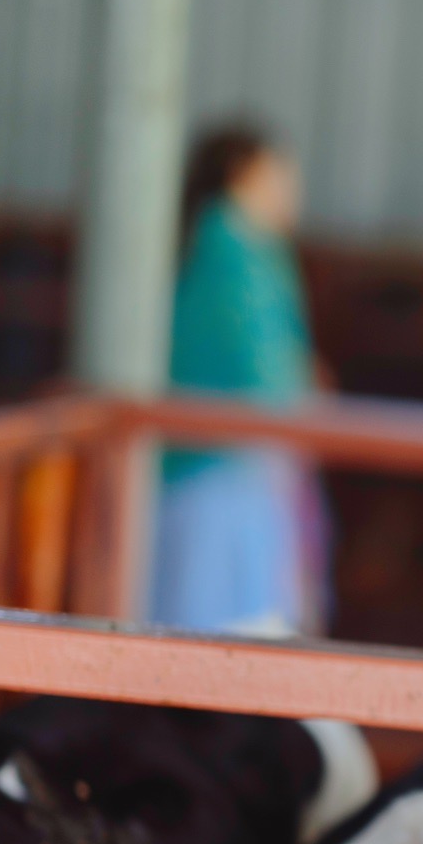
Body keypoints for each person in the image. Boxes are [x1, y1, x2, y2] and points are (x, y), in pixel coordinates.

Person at [151, 123, 327, 633]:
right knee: (222, 625)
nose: (292, 190)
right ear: (243, 176)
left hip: (217, 462)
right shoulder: (234, 251)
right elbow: (262, 373)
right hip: (220, 468)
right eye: (280, 175)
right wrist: (304, 391)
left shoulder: (226, 246)